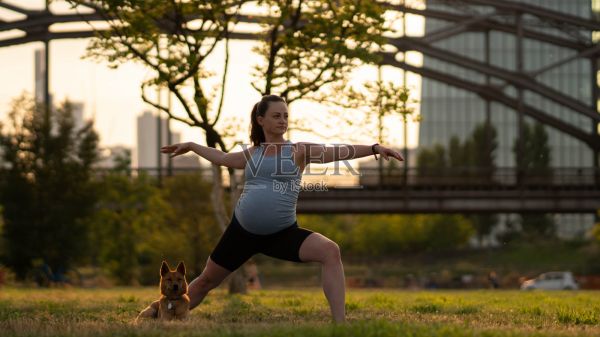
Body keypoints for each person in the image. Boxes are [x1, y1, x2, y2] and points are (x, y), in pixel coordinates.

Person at [160, 94, 404, 323]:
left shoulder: (299, 150)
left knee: (331, 251)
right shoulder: (253, 152)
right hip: (242, 232)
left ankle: (340, 324)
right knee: (204, 282)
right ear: (261, 120)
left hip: (282, 234)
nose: (283, 121)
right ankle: (161, 315)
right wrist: (192, 145)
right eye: (276, 116)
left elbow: (339, 152)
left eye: (286, 116)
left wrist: (374, 148)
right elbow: (222, 157)